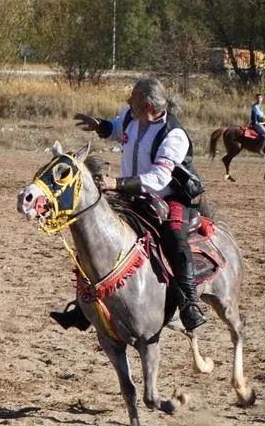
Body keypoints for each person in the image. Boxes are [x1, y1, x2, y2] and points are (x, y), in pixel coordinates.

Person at [53, 75, 208, 333]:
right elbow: (116, 129)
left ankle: (189, 303)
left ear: (147, 105)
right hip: (129, 195)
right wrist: (100, 126)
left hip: (166, 197)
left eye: (133, 99)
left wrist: (116, 183)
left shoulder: (175, 135)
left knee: (173, 236)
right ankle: (84, 309)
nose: (128, 102)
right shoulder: (130, 116)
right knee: (94, 234)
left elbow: (159, 178)